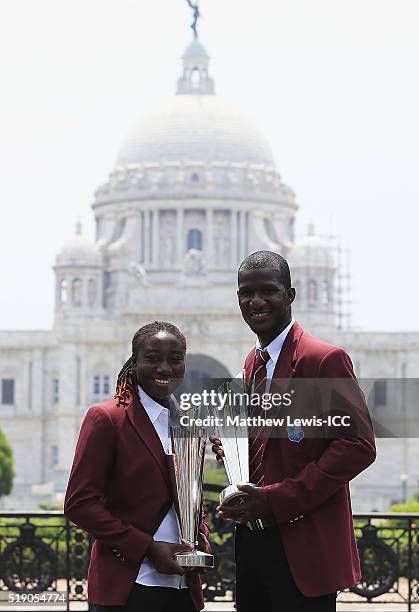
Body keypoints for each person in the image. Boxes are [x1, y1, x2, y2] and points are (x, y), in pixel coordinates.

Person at [210, 251, 376, 612]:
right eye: (245, 293)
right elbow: (274, 447)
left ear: (290, 295)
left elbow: (358, 445)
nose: (255, 302)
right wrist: (236, 450)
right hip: (254, 545)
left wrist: (276, 498)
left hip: (305, 547)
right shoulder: (253, 363)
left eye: (268, 291)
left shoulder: (322, 359)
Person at [64, 321, 210, 612]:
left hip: (182, 589)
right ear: (135, 362)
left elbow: (187, 501)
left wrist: (202, 537)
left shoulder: (186, 425)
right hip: (129, 587)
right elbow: (79, 504)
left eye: (175, 359)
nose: (165, 368)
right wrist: (147, 548)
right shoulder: (108, 418)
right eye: (153, 358)